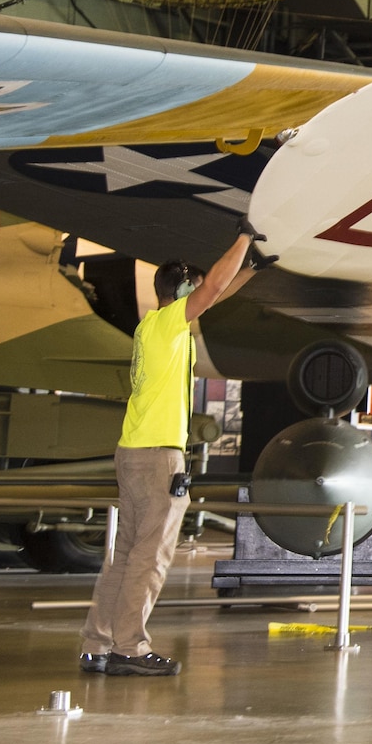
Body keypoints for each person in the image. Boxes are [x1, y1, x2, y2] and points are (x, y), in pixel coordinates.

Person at [81, 232, 255, 676]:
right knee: (150, 557)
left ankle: (97, 644)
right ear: (180, 293)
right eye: (192, 291)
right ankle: (130, 648)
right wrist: (244, 237)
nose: (201, 297)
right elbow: (212, 288)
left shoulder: (154, 328)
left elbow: (215, 292)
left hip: (133, 452)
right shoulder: (169, 325)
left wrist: (254, 266)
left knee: (124, 557)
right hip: (158, 457)